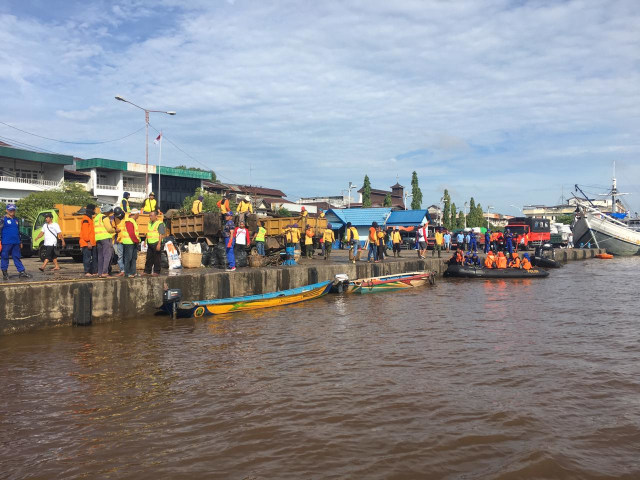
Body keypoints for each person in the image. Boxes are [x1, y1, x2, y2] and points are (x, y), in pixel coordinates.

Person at [0, 204, 30, 279]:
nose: (12, 211)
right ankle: (5, 273)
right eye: (10, 210)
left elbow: (18, 231)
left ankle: (22, 272)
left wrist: (20, 241)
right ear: (6, 210)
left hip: (16, 242)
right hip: (6, 242)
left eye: (13, 210)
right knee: (5, 257)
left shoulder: (16, 220)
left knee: (17, 257)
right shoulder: (3, 219)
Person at [94, 205, 115, 278]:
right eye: (109, 211)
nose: (110, 213)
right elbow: (109, 229)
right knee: (107, 255)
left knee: (100, 256)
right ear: (106, 212)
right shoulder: (105, 217)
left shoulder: (96, 217)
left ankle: (100, 273)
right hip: (105, 238)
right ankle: (105, 272)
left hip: (98, 238)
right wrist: (115, 230)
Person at [143, 209, 165, 276]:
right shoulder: (149, 223)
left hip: (156, 242)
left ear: (156, 216)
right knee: (149, 258)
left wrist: (159, 244)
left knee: (157, 258)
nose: (150, 217)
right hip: (150, 242)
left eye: (151, 216)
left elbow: (161, 234)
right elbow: (148, 232)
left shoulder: (160, 223)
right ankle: (147, 271)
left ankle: (156, 271)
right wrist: (145, 240)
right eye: (149, 216)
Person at [122, 209, 141, 278]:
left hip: (132, 242)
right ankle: (127, 273)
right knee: (128, 258)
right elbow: (131, 233)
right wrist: (136, 240)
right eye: (138, 214)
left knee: (133, 258)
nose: (139, 215)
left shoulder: (132, 221)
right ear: (135, 214)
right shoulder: (129, 222)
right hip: (129, 243)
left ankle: (133, 272)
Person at [80, 204, 97, 277]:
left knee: (94, 258)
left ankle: (93, 271)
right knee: (87, 258)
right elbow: (85, 232)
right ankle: (87, 271)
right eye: (94, 210)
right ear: (91, 210)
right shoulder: (86, 219)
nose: (95, 211)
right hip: (87, 243)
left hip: (92, 242)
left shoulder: (90, 219)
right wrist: (88, 242)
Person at [112, 206, 126, 276]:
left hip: (127, 240)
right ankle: (122, 270)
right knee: (120, 256)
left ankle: (127, 270)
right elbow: (113, 227)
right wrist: (115, 230)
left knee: (127, 256)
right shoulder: (114, 218)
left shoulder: (127, 217)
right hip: (120, 240)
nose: (119, 217)